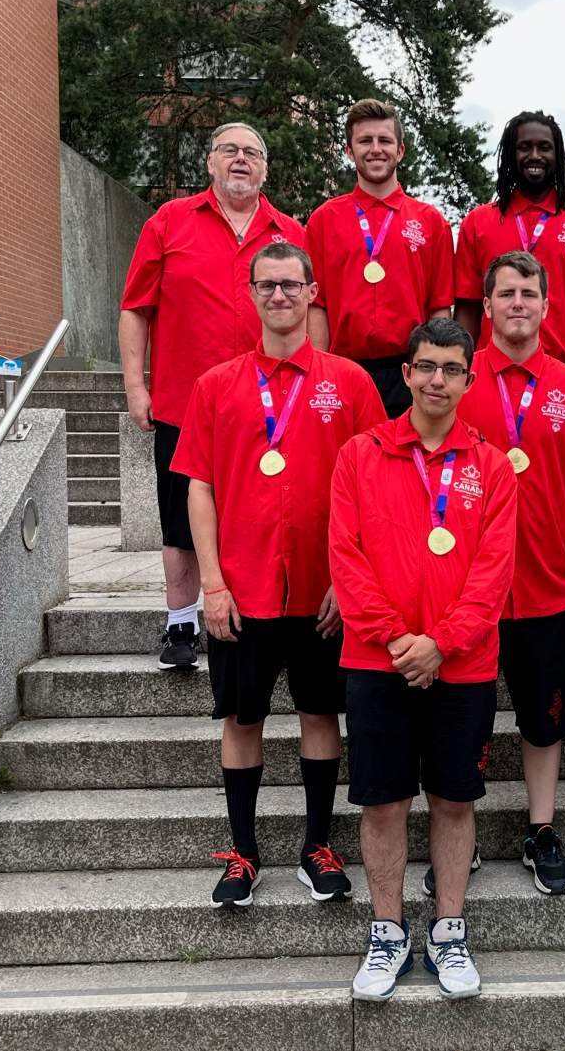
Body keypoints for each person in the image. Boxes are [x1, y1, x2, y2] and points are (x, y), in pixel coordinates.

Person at [171, 242, 385, 909]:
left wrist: (351, 580)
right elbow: (198, 488)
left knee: (321, 713)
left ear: (313, 291)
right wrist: (210, 583)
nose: (281, 296)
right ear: (252, 291)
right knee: (242, 717)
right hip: (242, 586)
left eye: (292, 285)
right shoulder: (216, 385)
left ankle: (316, 844)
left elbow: (375, 486)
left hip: (323, 588)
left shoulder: (349, 383)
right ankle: (243, 850)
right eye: (269, 285)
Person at [329, 318, 517, 1002]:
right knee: (382, 801)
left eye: (452, 368)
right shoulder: (359, 454)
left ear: (470, 379)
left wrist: (442, 641)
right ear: (405, 372)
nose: (438, 379)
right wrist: (398, 640)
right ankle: (387, 929)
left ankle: (448, 927)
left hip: (462, 664)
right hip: (377, 662)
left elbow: (494, 572)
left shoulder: (492, 464)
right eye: (426, 366)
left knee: (454, 798)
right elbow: (346, 558)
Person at [119, 121, 307, 671]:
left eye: (252, 153)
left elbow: (308, 315)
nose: (241, 160)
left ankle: (263, 612)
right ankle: (180, 622)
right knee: (179, 515)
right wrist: (136, 385)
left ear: (266, 168)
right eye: (230, 151)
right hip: (184, 402)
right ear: (209, 162)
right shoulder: (169, 222)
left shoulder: (289, 232)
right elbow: (136, 307)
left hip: (270, 407)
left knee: (263, 512)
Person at [458, 250, 565, 895]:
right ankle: (456, 824)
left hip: (548, 582)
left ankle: (541, 828)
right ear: (487, 305)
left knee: (544, 718)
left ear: (548, 307)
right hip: (466, 588)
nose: (517, 303)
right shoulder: (455, 377)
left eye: (529, 293)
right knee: (462, 714)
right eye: (505, 294)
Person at [305, 99, 455, 418]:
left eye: (385, 141)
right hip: (343, 370)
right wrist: (318, 373)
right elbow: (317, 306)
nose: (376, 149)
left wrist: (434, 372)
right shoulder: (322, 221)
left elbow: (439, 307)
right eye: (365, 141)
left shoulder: (431, 222)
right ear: (349, 151)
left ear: (400, 151)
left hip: (411, 374)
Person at [454, 110, 565, 369]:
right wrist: (460, 367)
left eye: (544, 148)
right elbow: (468, 309)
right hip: (490, 374)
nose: (535, 156)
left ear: (558, 156)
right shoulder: (477, 223)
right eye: (524, 147)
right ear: (511, 154)